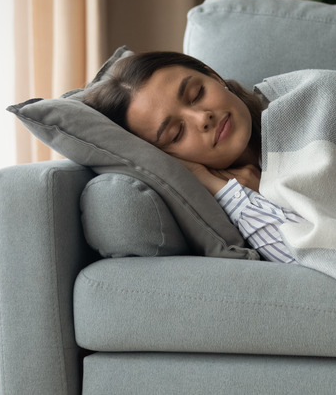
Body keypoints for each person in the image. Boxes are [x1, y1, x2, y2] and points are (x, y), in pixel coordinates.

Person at [84, 51, 300, 263]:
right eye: (176, 133)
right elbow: (310, 258)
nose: (202, 117)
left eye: (197, 94)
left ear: (214, 76)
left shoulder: (305, 99)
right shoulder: (226, 203)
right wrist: (219, 187)